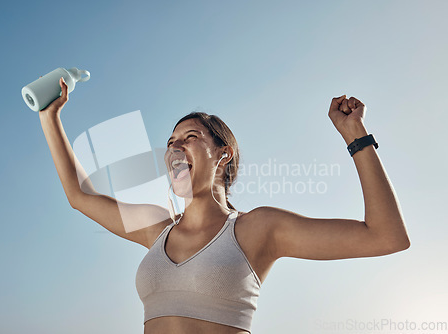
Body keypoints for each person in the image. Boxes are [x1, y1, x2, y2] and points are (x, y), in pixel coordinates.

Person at [39, 78, 410, 334]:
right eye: (171, 142)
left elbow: (386, 236)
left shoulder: (256, 229)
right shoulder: (156, 228)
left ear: (222, 154)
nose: (175, 148)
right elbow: (79, 196)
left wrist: (356, 136)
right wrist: (49, 115)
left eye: (191, 137)